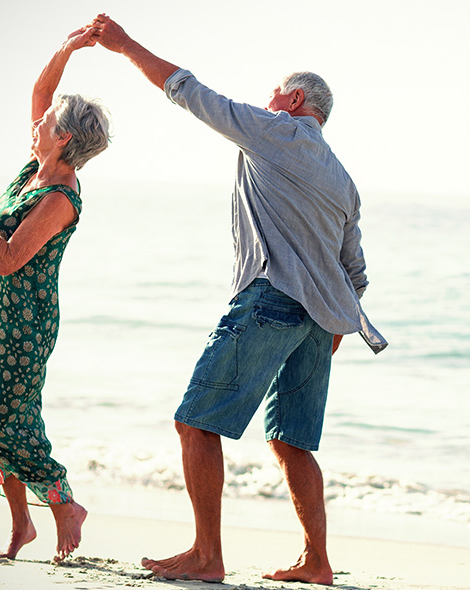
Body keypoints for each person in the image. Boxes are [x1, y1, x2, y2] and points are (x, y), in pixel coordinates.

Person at [91, 13, 382, 585]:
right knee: (291, 440)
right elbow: (356, 270)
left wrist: (124, 45)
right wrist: (332, 329)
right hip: (319, 322)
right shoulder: (343, 177)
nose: (266, 100)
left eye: (274, 92)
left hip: (271, 300)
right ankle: (317, 562)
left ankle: (207, 555)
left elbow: (190, 92)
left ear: (294, 99)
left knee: (195, 424)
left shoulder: (276, 131)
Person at [0, 26, 111, 562]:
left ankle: (63, 503)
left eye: (47, 122)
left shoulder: (61, 194)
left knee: (6, 420)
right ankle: (21, 527)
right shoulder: (34, 170)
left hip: (25, 319)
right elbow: (42, 97)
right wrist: (67, 49)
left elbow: (9, 259)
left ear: (63, 138)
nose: (37, 122)